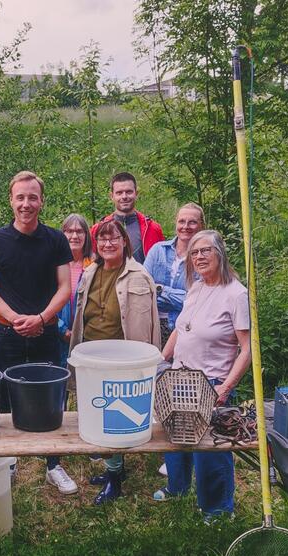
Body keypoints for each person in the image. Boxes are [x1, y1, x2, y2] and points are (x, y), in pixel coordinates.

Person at [0, 171, 77, 495]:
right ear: (11, 200)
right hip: (6, 333)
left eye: (32, 197)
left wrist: (42, 318)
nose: (26, 204)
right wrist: (14, 317)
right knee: (5, 397)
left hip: (45, 332)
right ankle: (9, 460)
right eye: (20, 197)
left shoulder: (56, 240)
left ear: (41, 201)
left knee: (49, 398)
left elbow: (65, 287)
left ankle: (53, 464)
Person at [154, 230, 251, 522]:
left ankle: (217, 509)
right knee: (175, 436)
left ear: (220, 254)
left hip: (211, 382)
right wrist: (160, 360)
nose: (199, 257)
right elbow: (181, 329)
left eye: (206, 250)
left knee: (209, 449)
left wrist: (226, 387)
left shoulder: (236, 294)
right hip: (178, 377)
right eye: (194, 252)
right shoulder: (196, 287)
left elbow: (247, 349)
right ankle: (177, 487)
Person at [68, 219, 161, 504]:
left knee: (116, 418)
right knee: (100, 415)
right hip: (91, 355)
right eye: (102, 239)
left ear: (124, 242)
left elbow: (149, 325)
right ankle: (115, 469)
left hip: (122, 358)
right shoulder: (90, 272)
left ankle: (114, 478)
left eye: (114, 239)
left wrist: (145, 363)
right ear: (95, 244)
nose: (108, 244)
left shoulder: (138, 275)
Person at [143, 203, 204, 347]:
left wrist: (160, 290)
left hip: (187, 329)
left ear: (201, 225)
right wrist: (181, 297)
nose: (186, 226)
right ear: (176, 222)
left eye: (192, 222)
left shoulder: (204, 259)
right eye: (182, 221)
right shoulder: (158, 250)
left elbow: (198, 302)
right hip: (152, 326)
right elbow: (143, 291)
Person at [91, 172, 164, 264]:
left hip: (143, 273)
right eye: (119, 193)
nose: (124, 196)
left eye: (129, 192)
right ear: (112, 196)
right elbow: (91, 263)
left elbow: (161, 264)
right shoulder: (97, 230)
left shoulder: (152, 229)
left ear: (136, 194)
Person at [56, 213, 93, 367]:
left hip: (87, 338)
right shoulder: (53, 265)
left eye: (79, 231)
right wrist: (62, 329)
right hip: (56, 337)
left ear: (86, 235)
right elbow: (43, 300)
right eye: (69, 231)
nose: (74, 236)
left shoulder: (94, 266)